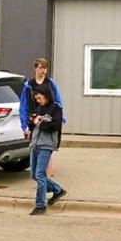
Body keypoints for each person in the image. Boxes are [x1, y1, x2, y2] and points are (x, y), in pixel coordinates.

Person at [19, 57, 64, 175]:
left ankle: (45, 178)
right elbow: (23, 105)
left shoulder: (50, 83)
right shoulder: (28, 85)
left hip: (49, 118)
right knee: (35, 147)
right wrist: (24, 125)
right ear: (35, 68)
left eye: (45, 68)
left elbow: (58, 101)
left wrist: (61, 118)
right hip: (34, 119)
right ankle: (39, 176)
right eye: (40, 67)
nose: (43, 70)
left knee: (47, 149)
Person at [27, 86, 67, 215]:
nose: (38, 101)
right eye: (36, 99)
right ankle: (57, 190)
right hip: (35, 144)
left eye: (39, 98)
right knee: (34, 174)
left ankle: (40, 205)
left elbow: (55, 125)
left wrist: (41, 123)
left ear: (46, 95)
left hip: (46, 145)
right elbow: (34, 125)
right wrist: (31, 123)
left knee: (40, 175)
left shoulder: (56, 108)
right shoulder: (39, 109)